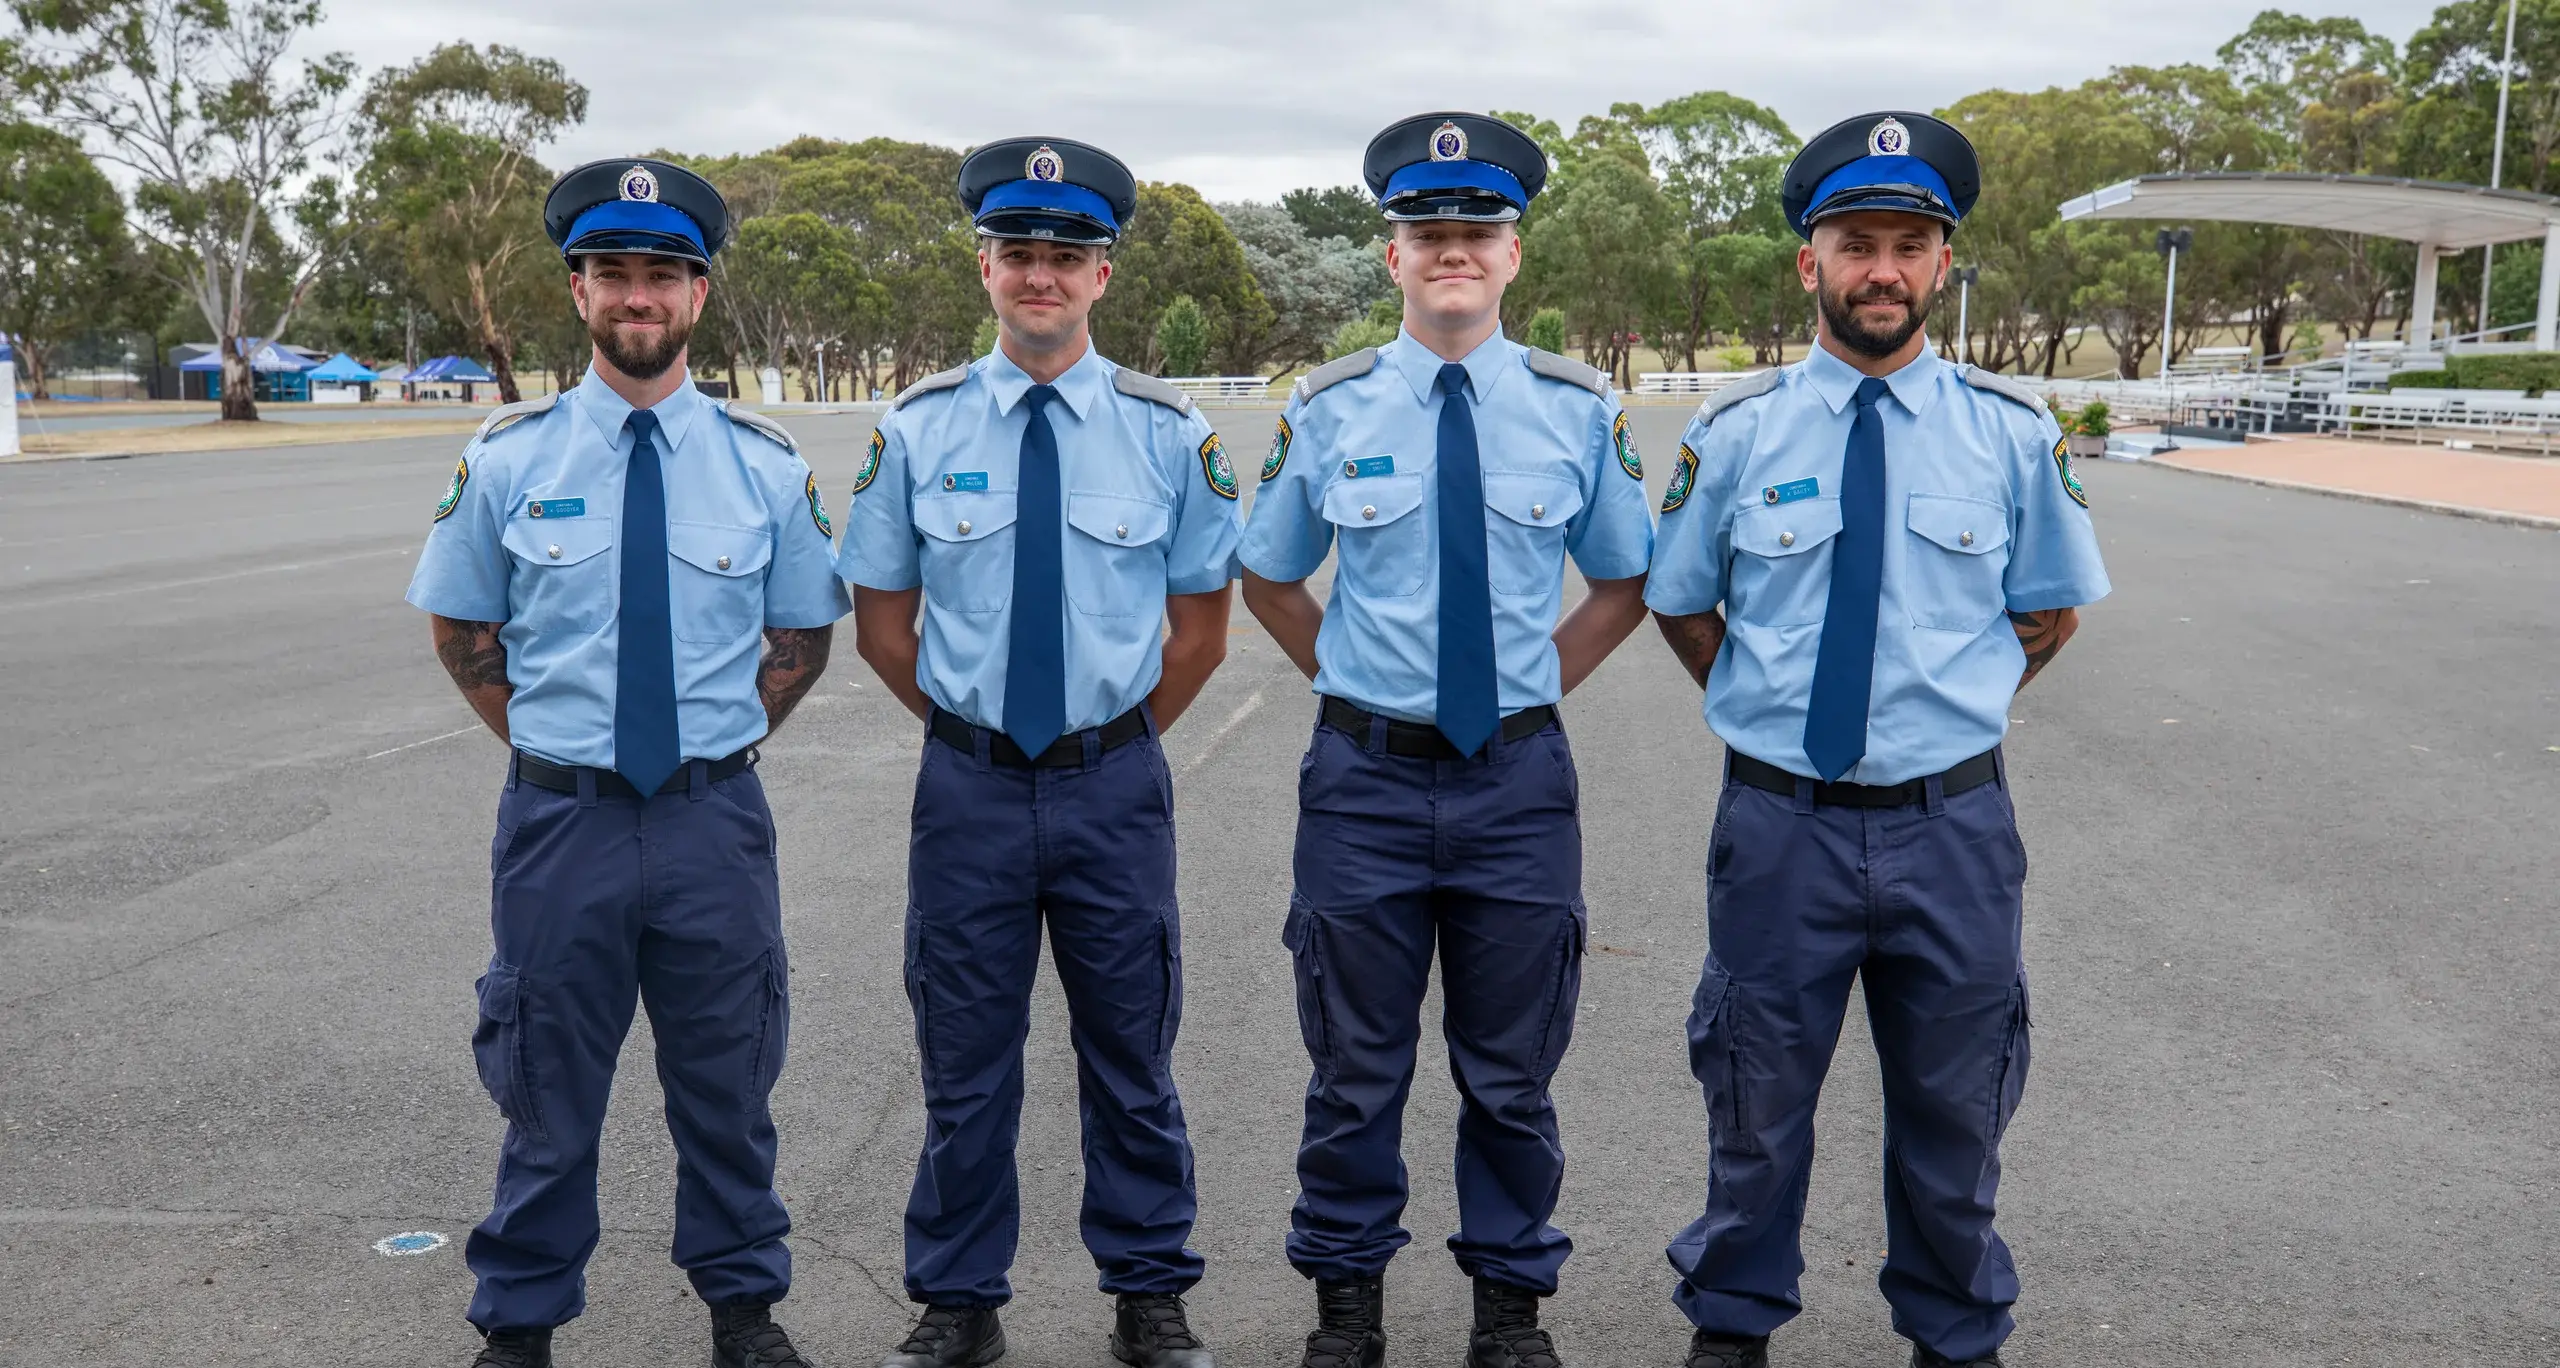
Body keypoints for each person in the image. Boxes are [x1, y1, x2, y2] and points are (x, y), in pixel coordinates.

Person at [1643, 112, 2111, 1368]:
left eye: (1910, 244)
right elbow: (1681, 602)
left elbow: (2048, 608)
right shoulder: (1734, 438)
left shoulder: (2010, 435)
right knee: (1753, 1104)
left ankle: (1954, 1337)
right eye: (1857, 243)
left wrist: (1950, 706)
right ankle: (1731, 1330)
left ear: (1942, 263)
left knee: (1956, 1114)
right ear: (1811, 263)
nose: (1883, 270)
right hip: (1778, 826)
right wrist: (1763, 706)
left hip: (1951, 828)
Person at [404, 157, 849, 1368]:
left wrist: (718, 745)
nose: (637, 296)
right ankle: (521, 1323)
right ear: (578, 290)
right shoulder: (507, 461)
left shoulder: (763, 467)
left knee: (728, 1083)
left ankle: (744, 1310)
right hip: (564, 824)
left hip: (712, 818)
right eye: (614, 274)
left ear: (698, 296)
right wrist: (564, 752)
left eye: (662, 275)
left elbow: (801, 640)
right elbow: (463, 637)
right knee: (547, 1085)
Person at [1236, 111, 1656, 1368]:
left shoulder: (1578, 413)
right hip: (1363, 782)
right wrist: (1355, 684)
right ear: (1393, 258)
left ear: (1512, 255)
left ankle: (1508, 1310)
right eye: (1429, 234)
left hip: (1516, 781)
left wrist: (1535, 688)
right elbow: (1269, 576)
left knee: (1512, 1070)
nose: (1452, 252)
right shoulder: (1329, 409)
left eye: (1475, 233)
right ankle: (1346, 1305)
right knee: (1353, 1069)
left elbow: (1625, 580)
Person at [836, 136, 1237, 1368]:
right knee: (964, 1059)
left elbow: (1200, 632)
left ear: (1102, 276)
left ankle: (1148, 1296)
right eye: (1020, 254)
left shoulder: (1170, 437)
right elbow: (885, 627)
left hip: (1113, 783)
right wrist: (978, 737)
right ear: (985, 267)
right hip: (967, 786)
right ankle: (959, 1303)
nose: (1041, 277)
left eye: (1066, 256)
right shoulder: (913, 431)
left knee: (1131, 1053)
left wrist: (1102, 745)